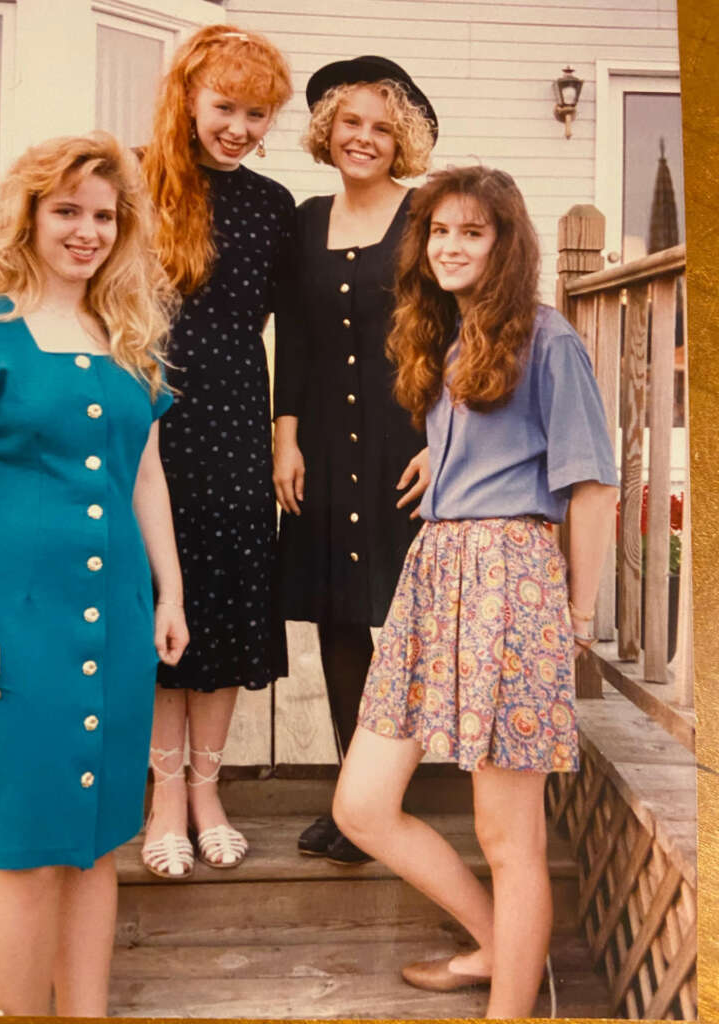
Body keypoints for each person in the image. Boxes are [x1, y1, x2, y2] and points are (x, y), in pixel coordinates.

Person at [331, 166, 618, 1017]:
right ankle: (498, 943)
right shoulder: (450, 337)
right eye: (440, 233)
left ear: (505, 244)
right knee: (363, 804)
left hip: (513, 584)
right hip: (436, 576)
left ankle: (512, 1004)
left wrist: (579, 618)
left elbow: (592, 485)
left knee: (508, 833)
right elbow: (493, 438)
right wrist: (443, 457)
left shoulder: (547, 336)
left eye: (473, 232)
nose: (451, 247)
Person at [0, 131, 188, 1016]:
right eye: (67, 212)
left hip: (115, 615)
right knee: (20, 844)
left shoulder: (128, 336)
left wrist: (169, 591)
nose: (86, 231)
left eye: (102, 215)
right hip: (13, 620)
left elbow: (147, 476)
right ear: (30, 215)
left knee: (95, 841)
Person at [272, 56, 437, 864]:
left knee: (407, 621)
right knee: (340, 620)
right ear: (327, 130)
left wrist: (447, 442)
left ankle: (388, 799)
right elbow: (296, 338)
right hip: (327, 453)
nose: (363, 138)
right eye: (350, 123)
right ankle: (353, 800)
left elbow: (456, 334)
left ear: (399, 138)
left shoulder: (428, 216)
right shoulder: (305, 220)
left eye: (381, 126)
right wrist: (285, 434)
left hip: (410, 446)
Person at [139, 24, 294, 876]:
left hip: (237, 411)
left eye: (256, 112)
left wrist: (282, 436)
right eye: (224, 106)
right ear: (190, 101)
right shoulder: (136, 181)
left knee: (229, 600)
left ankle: (207, 789)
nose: (238, 125)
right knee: (171, 592)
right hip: (152, 410)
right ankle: (162, 795)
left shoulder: (273, 205)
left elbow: (298, 329)